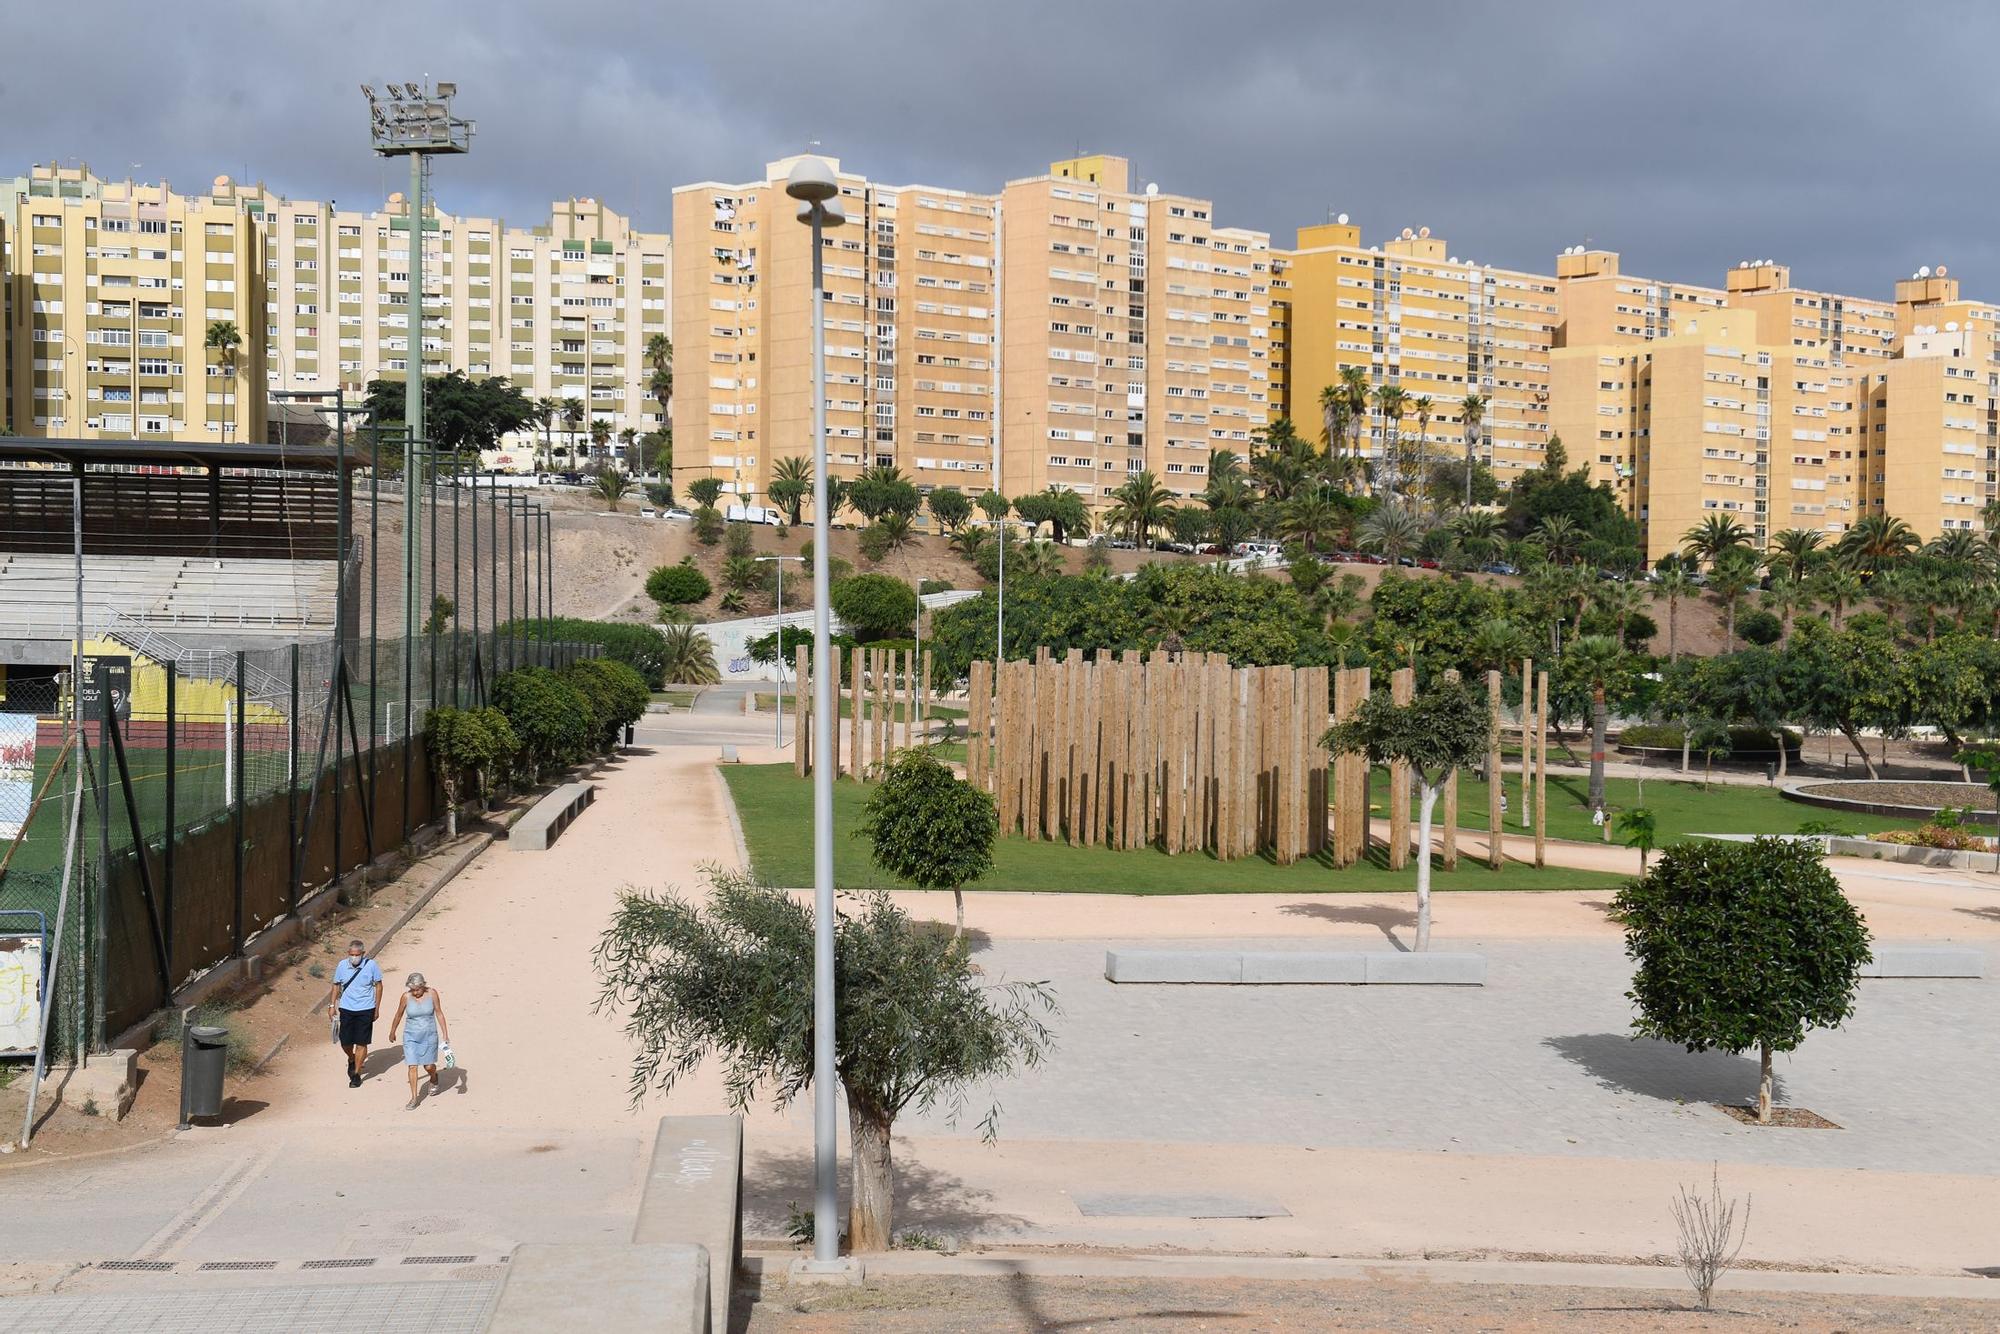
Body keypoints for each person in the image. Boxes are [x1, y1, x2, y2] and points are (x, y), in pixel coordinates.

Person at [387, 971, 450, 1110]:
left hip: (429, 1035)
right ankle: (414, 1098)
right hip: (411, 1036)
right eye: (413, 990)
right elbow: (398, 1015)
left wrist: (445, 1033)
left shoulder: (432, 994)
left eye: (418, 989)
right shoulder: (405, 997)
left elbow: (439, 1012)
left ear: (423, 986)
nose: (415, 993)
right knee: (412, 1066)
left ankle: (434, 1076)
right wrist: (392, 1031)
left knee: (428, 1066)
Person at [325, 940, 383, 1089]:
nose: (354, 958)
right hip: (346, 1008)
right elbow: (336, 985)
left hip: (366, 1008)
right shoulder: (342, 966)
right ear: (348, 954)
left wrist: (376, 1007)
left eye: (357, 955)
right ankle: (351, 1058)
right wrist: (332, 1006)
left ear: (362, 954)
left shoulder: (371, 966)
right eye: (351, 955)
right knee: (345, 1041)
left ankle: (356, 1074)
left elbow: (378, 986)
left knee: (361, 1042)